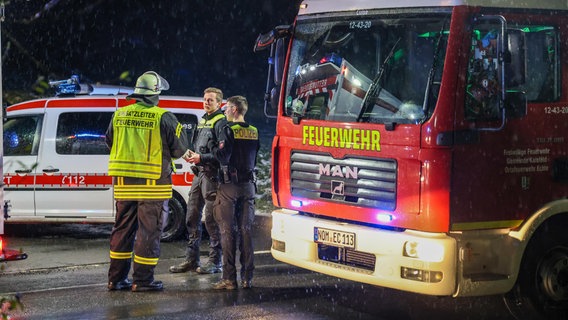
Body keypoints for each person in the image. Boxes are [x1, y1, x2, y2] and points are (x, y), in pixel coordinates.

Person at [106, 71, 188, 292]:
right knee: (148, 232)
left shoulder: (119, 115)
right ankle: (142, 281)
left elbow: (109, 141)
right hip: (153, 185)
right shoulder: (163, 117)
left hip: (123, 185)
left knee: (122, 230)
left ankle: (115, 279)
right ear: (155, 94)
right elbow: (179, 149)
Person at [169, 87, 226, 274]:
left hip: (212, 175)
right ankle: (191, 260)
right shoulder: (203, 120)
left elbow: (223, 155)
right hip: (199, 174)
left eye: (211, 100)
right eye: (205, 99)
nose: (206, 102)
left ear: (219, 103)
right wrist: (193, 155)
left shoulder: (220, 122)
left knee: (211, 219)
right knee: (191, 216)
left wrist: (201, 158)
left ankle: (215, 261)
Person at [210, 95, 260, 290]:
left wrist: (213, 148)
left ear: (235, 110)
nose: (224, 111)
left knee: (227, 232)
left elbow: (223, 156)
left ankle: (229, 279)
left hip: (230, 186)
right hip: (248, 186)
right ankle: (248, 277)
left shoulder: (228, 130)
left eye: (227, 107)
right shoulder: (254, 131)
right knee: (246, 232)